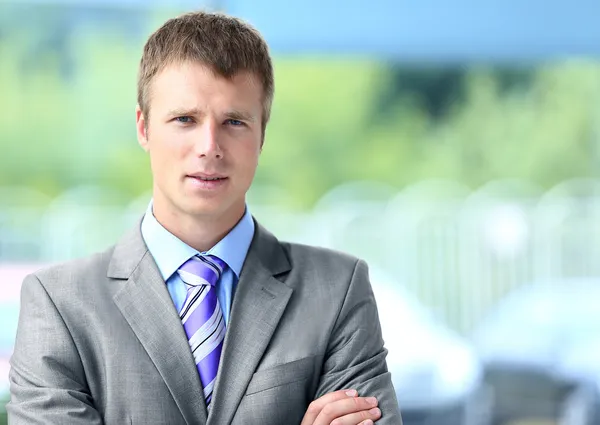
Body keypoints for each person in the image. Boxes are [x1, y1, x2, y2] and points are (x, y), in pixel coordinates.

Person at [7, 10, 402, 425]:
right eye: (185, 120)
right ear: (143, 128)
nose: (209, 146)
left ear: (262, 134)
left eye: (234, 121)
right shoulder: (59, 305)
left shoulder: (337, 291)